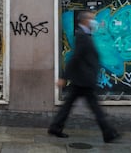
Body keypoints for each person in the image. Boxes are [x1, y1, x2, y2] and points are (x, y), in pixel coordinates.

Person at [48, 11, 120, 143]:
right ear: (84, 21)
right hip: (83, 79)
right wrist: (64, 77)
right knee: (95, 108)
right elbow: (75, 58)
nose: (94, 21)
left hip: (82, 79)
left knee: (70, 105)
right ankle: (108, 132)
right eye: (92, 19)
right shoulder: (82, 36)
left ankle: (56, 127)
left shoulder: (86, 35)